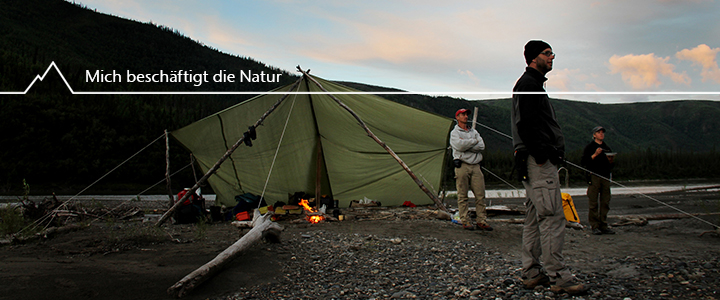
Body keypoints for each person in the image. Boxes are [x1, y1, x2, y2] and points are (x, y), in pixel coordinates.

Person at [511, 40, 588, 295]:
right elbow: (527, 125)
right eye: (547, 53)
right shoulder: (529, 85)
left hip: (533, 162)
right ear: (534, 58)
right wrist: (544, 154)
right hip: (538, 163)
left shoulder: (532, 84)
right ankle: (559, 276)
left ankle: (531, 273)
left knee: (534, 217)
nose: (552, 56)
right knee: (553, 216)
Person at [450, 108, 492, 231]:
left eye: (466, 114)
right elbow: (458, 145)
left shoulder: (474, 131)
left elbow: (482, 146)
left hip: (476, 165)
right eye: (462, 114)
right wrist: (473, 143)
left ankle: (481, 220)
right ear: (457, 117)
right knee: (462, 195)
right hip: (462, 165)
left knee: (480, 194)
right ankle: (465, 220)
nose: (465, 116)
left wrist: (467, 143)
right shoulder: (455, 133)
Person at [581, 126, 615, 235]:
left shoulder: (607, 148)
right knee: (593, 202)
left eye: (602, 132)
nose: (601, 134)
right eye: (599, 132)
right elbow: (584, 162)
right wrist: (595, 155)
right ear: (594, 135)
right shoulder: (589, 147)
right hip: (594, 177)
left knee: (605, 202)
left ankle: (603, 225)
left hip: (605, 177)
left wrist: (611, 161)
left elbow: (611, 165)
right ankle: (594, 226)